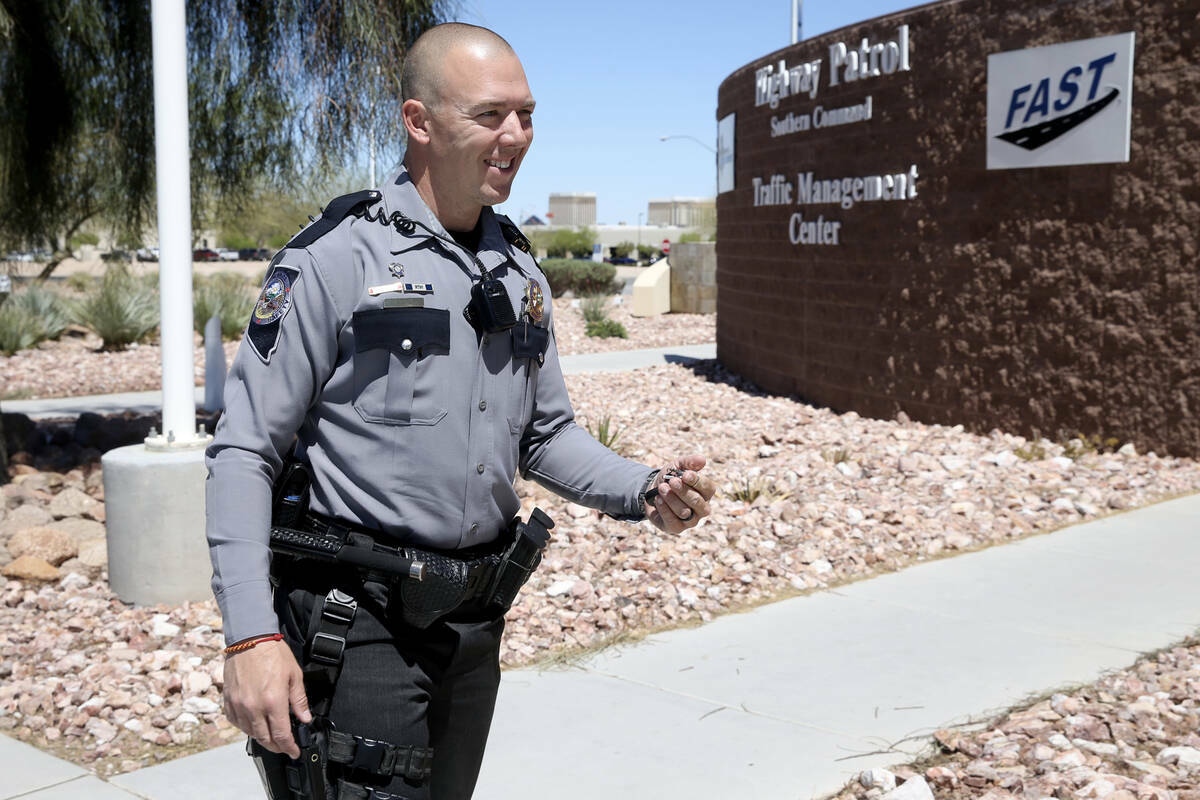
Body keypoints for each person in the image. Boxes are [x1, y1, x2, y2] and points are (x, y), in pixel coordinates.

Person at [206, 22, 716, 800]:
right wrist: (250, 635)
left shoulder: (518, 270)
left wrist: (644, 489)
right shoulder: (335, 257)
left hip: (473, 628)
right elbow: (245, 451)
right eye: (489, 115)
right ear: (419, 122)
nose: (516, 135)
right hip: (362, 626)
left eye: (527, 113)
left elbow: (545, 436)